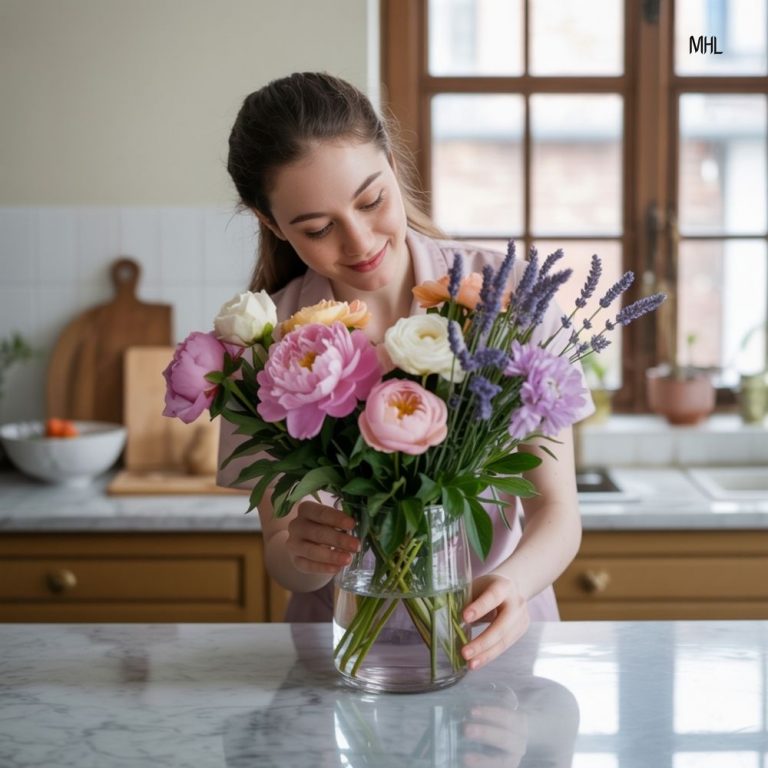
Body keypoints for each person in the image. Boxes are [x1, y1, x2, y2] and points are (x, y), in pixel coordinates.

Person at [218, 72, 594, 672]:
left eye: (372, 201)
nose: (361, 240)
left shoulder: (508, 299)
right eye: (317, 229)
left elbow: (557, 510)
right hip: (339, 653)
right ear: (271, 223)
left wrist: (512, 585)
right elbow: (278, 552)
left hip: (492, 644)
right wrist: (303, 551)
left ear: (393, 165)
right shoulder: (265, 344)